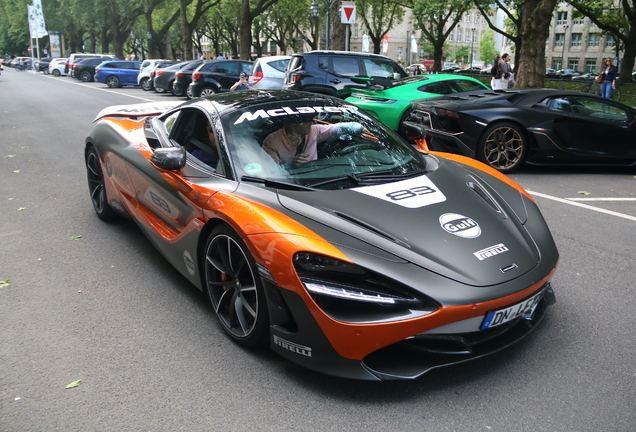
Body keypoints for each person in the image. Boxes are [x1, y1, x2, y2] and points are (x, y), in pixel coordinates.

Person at [262, 119, 367, 169]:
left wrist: (361, 128)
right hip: (289, 185)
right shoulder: (272, 141)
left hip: (317, 175)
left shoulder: (313, 131)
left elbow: (338, 128)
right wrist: (291, 165)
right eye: (305, 120)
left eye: (310, 119)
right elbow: (270, 171)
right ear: (292, 124)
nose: (310, 123)